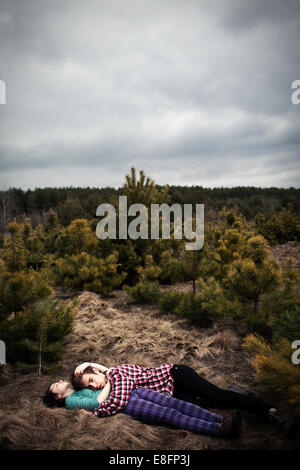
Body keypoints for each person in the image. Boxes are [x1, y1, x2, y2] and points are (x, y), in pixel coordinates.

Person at [71, 361, 296, 437]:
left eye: (92, 379)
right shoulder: (111, 381)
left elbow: (118, 401)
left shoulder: (117, 373)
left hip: (176, 375)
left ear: (98, 371)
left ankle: (272, 413)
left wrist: (98, 411)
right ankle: (240, 395)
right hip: (172, 392)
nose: (94, 385)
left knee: (216, 396)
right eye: (90, 386)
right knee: (205, 403)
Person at [43, 376, 242, 439]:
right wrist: (113, 383)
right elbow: (97, 402)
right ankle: (220, 430)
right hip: (125, 403)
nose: (59, 381)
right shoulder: (71, 401)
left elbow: (97, 379)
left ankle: (219, 419)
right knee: (170, 414)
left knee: (175, 403)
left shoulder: (78, 389)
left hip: (131, 391)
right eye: (55, 385)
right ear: (57, 396)